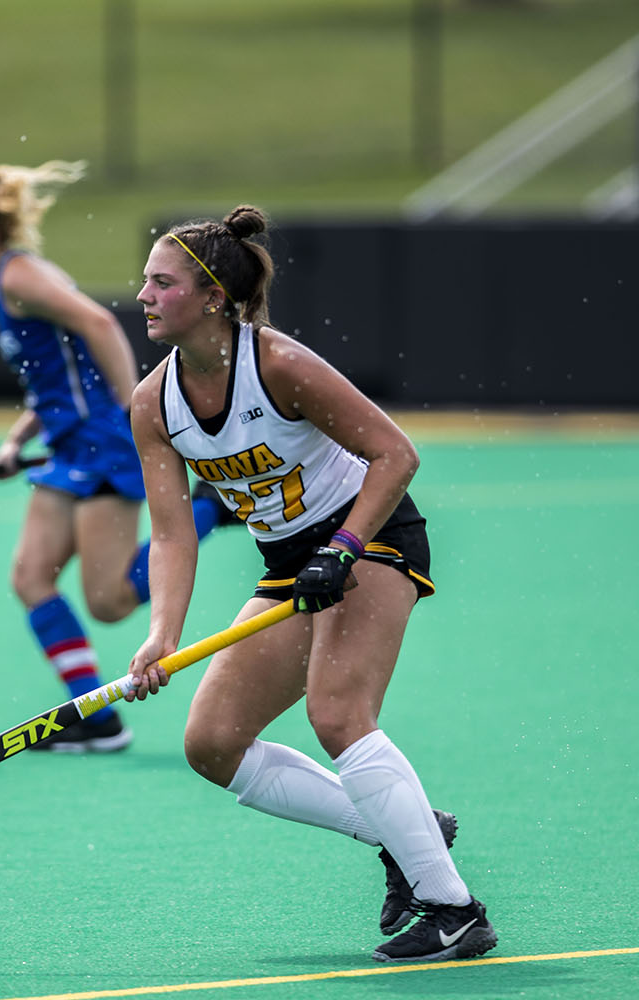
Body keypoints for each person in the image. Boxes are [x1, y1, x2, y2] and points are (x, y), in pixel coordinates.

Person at [121, 204, 496, 963]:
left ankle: (455, 911)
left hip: (372, 536)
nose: (144, 297)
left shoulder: (281, 366)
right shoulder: (153, 405)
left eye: (161, 283)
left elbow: (395, 455)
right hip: (292, 560)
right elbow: (171, 531)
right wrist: (161, 634)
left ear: (212, 297)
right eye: (146, 283)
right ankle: (408, 827)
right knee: (212, 741)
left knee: (338, 712)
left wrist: (348, 547)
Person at [0, 161, 232, 752]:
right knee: (30, 577)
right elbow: (58, 374)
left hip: (100, 444)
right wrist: (18, 439)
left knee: (110, 601)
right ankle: (95, 718)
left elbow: (97, 324)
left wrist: (131, 404)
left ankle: (212, 511)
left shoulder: (20, 278)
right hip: (68, 444)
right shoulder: (11, 280)